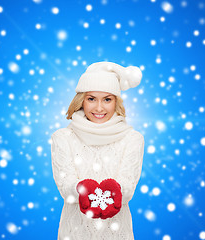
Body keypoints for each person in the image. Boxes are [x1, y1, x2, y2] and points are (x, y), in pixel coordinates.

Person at [51, 61, 145, 240]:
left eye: (107, 99)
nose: (99, 108)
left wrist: (107, 193)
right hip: (74, 233)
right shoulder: (63, 137)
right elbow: (65, 186)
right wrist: (84, 189)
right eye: (91, 98)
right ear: (81, 101)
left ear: (116, 102)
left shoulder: (132, 139)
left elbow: (128, 187)